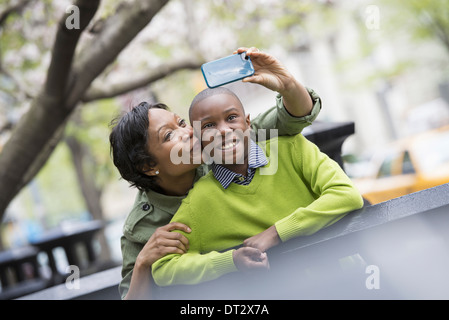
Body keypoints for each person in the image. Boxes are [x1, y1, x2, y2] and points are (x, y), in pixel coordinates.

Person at [110, 47, 322, 299]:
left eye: (180, 123)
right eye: (169, 136)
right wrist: (144, 263)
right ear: (148, 166)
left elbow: (292, 117)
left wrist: (287, 85)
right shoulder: (142, 228)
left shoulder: (221, 147)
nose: (188, 132)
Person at [150, 86, 364, 287]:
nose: (223, 130)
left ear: (248, 123)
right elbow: (164, 268)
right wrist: (230, 260)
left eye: (231, 118)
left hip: (350, 282)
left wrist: (276, 233)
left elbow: (346, 195)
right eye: (209, 126)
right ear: (198, 140)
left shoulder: (292, 148)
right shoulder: (200, 201)